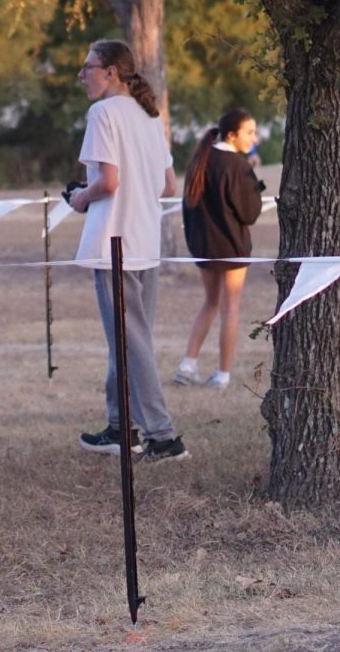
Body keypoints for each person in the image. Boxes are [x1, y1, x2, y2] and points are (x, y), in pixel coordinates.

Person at [67, 39, 190, 464]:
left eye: (88, 67)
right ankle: (121, 427)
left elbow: (108, 183)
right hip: (145, 242)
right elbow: (168, 185)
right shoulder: (149, 116)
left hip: (113, 244)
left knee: (130, 342)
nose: (82, 74)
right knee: (131, 340)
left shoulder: (102, 113)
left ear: (112, 72)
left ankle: (163, 436)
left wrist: (81, 198)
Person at [174, 109, 265, 389]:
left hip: (203, 246)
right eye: (249, 132)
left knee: (211, 303)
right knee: (230, 307)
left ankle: (187, 365)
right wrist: (255, 187)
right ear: (231, 134)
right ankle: (223, 374)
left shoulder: (200, 160)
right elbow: (249, 213)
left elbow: (187, 208)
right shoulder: (237, 166)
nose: (254, 138)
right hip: (232, 247)